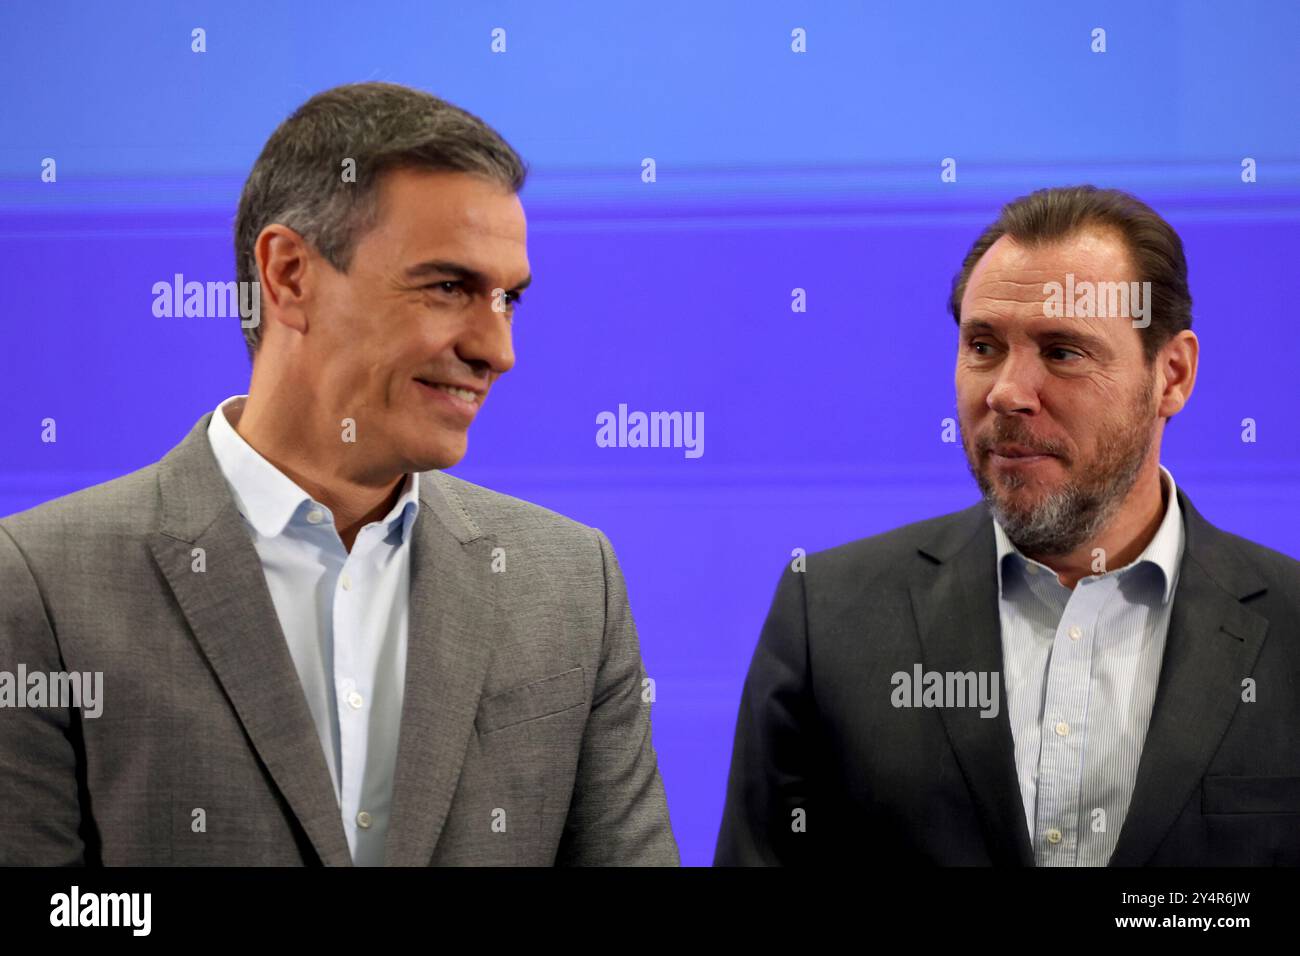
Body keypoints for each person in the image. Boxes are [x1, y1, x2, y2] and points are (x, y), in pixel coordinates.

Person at [0, 82, 677, 866]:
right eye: (449, 286)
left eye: (509, 299)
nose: (497, 349)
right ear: (289, 275)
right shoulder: (40, 586)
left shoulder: (571, 586)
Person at [715, 185, 1300, 866]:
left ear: (1171, 375)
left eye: (1062, 351)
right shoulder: (828, 617)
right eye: (984, 345)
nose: (1007, 392)